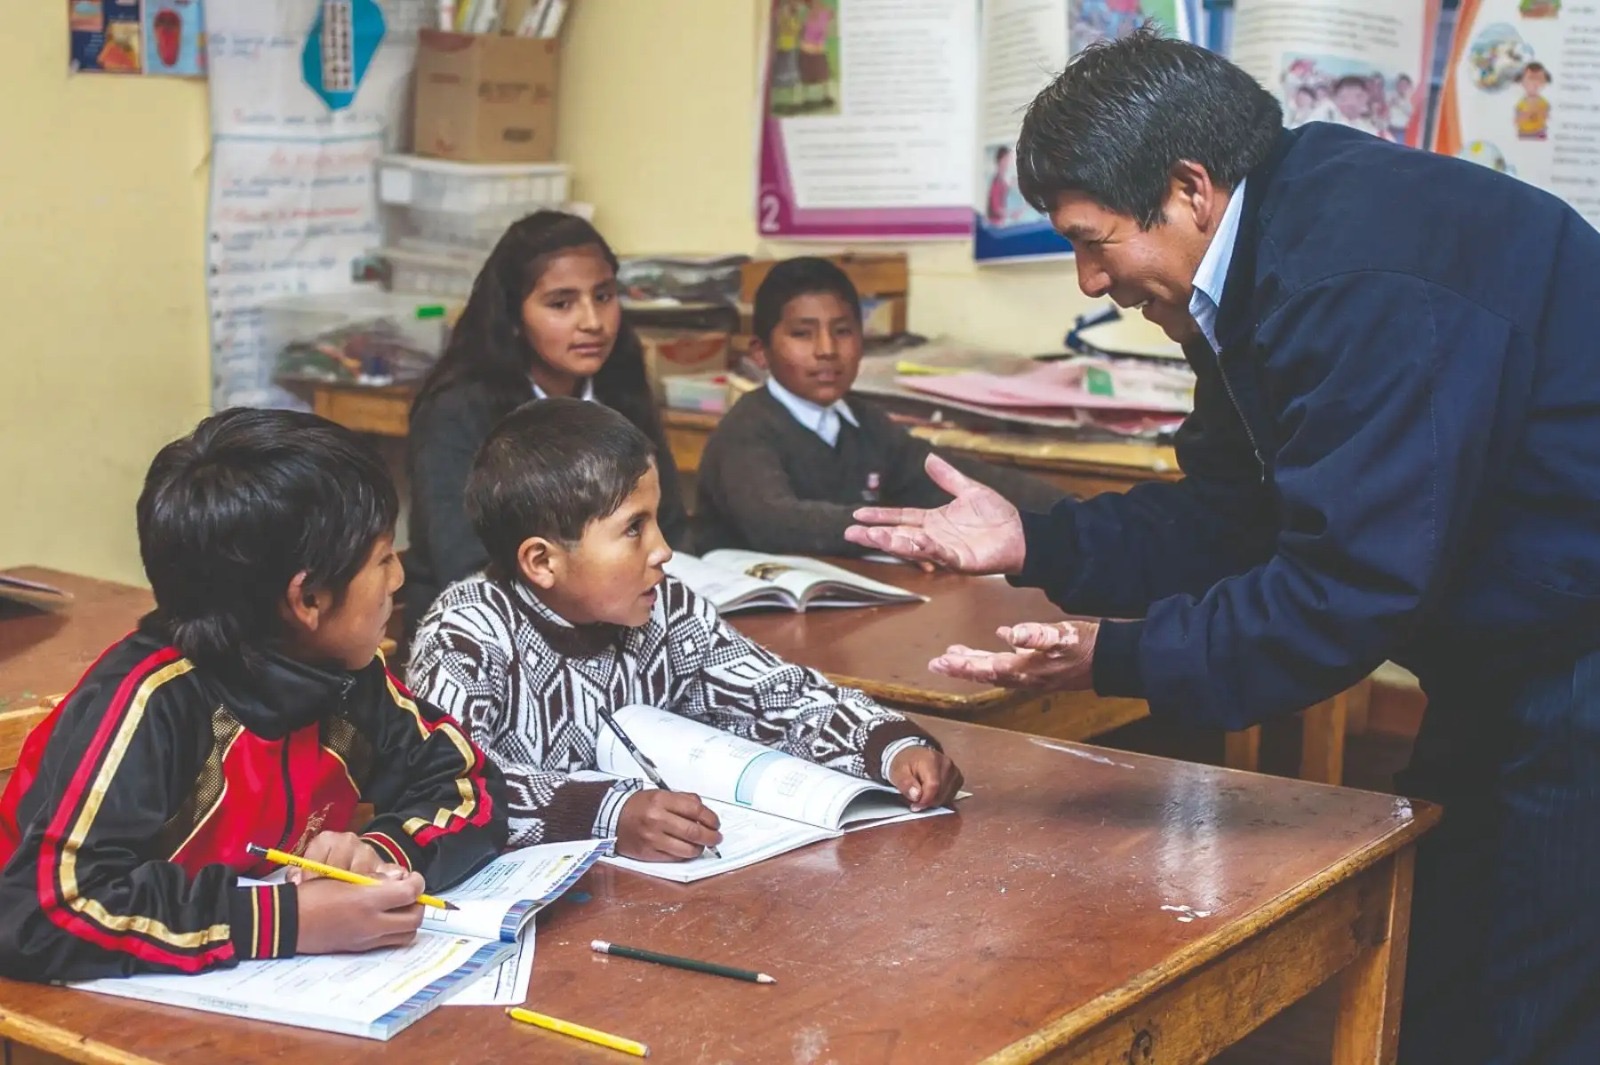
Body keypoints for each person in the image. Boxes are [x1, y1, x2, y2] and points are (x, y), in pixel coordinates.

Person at [846, 26, 1600, 1065]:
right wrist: (1035, 540)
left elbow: (1338, 593)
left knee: (1529, 1001)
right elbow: (1231, 516)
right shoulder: (1260, 259)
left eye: (1091, 238)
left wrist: (1111, 655)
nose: (1086, 281)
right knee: (1444, 960)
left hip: (1572, 656)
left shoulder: (1352, 280)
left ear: (1190, 188)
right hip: (1510, 647)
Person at [0, 409, 507, 982]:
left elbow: (470, 787)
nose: (397, 580)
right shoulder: (151, 701)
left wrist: (381, 852)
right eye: (384, 558)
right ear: (308, 598)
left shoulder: (344, 673)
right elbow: (41, 911)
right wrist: (283, 920)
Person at [407, 398, 962, 861]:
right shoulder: (467, 634)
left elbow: (773, 694)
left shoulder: (664, 609)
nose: (664, 550)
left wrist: (886, 744)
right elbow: (451, 786)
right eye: (633, 529)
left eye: (656, 520)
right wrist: (608, 813)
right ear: (542, 562)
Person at [405, 210, 691, 635]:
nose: (592, 322)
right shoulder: (457, 411)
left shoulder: (620, 387)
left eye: (604, 296)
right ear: (514, 319)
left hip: (617, 619)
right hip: (486, 635)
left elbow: (668, 524)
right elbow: (463, 562)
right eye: (562, 303)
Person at [693, 257, 1065, 556]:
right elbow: (775, 522)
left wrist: (1066, 509)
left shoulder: (865, 421)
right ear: (760, 352)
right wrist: (899, 531)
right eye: (802, 334)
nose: (826, 349)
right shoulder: (746, 430)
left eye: (842, 331)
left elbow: (943, 475)